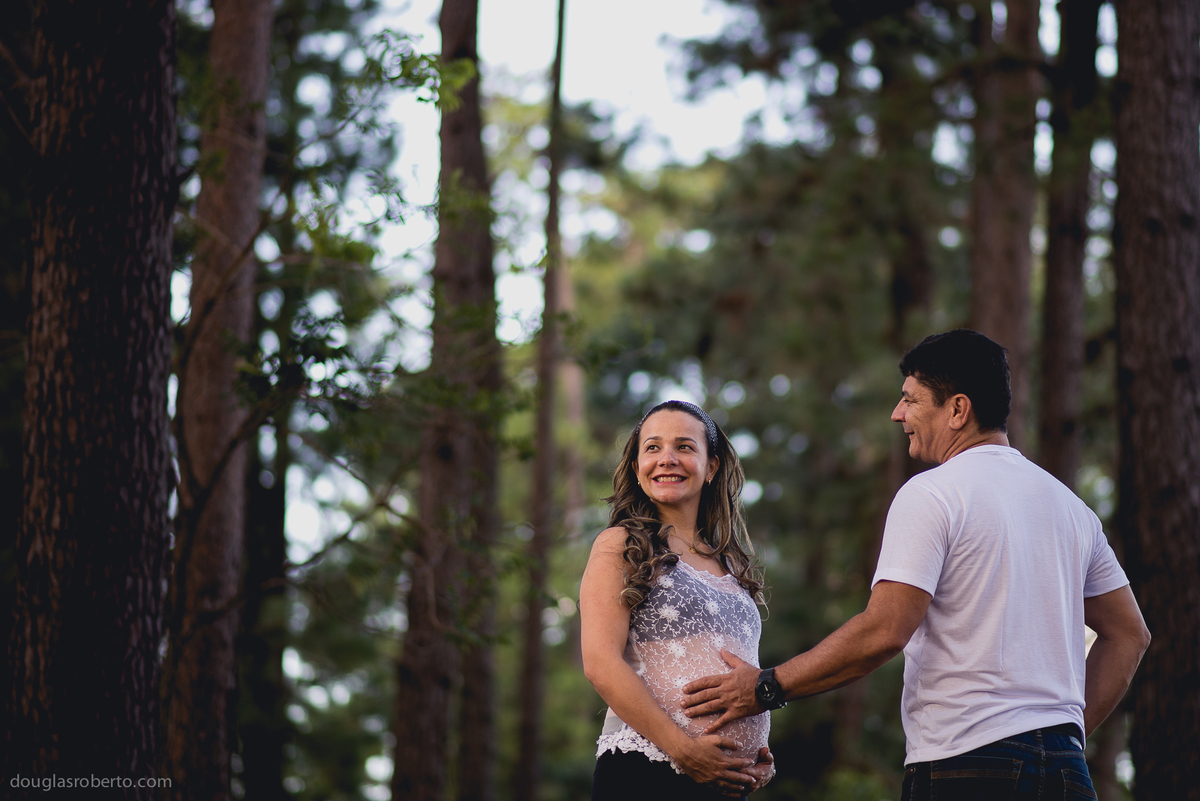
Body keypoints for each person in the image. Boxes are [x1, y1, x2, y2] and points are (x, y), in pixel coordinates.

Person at [679, 330, 1152, 800]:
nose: (897, 414)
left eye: (911, 400)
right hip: (1069, 777)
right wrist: (1064, 734)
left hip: (969, 769)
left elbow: (883, 631)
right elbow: (1130, 634)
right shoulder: (1072, 509)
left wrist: (766, 687)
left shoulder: (933, 493)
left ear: (958, 410)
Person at [581, 400, 777, 799]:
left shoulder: (731, 563)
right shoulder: (620, 545)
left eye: (684, 447)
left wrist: (753, 751)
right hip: (646, 771)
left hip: (721, 781)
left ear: (713, 466)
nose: (666, 459)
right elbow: (601, 663)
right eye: (652, 448)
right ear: (637, 469)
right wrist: (686, 751)